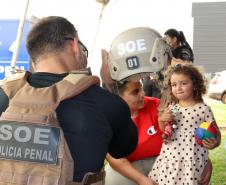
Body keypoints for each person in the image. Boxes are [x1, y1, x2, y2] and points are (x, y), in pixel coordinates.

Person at [0, 16, 138, 185]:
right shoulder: (106, 103)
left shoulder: (5, 94)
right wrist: (111, 86)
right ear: (74, 45)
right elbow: (123, 149)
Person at [149, 63, 221, 184]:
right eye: (174, 85)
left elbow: (216, 133)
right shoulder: (172, 108)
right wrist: (162, 119)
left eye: (184, 83)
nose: (178, 88)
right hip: (171, 158)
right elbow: (165, 131)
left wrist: (215, 142)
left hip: (192, 160)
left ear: (195, 85)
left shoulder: (203, 109)